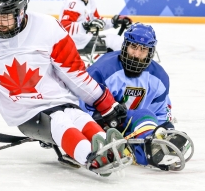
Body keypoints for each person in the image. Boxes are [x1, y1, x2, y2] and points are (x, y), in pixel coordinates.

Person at [0, 0, 131, 177]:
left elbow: (75, 73)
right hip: (25, 109)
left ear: (21, 12)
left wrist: (105, 104)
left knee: (78, 116)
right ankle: (89, 157)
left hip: (58, 98)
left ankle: (109, 146)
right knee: (59, 121)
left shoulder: (48, 27)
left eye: (6, 17)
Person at [80, 23, 193, 171]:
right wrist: (94, 118)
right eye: (133, 47)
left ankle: (147, 147)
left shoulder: (159, 77)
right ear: (125, 46)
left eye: (143, 49)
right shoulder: (102, 69)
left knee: (153, 121)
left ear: (150, 52)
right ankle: (149, 153)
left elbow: (160, 111)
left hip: (136, 129)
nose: (137, 54)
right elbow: (81, 102)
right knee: (144, 115)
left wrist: (163, 129)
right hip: (104, 126)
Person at [58, 0, 132, 54]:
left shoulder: (91, 2)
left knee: (116, 41)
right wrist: (85, 25)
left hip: (85, 39)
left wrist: (113, 22)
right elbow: (64, 26)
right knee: (117, 42)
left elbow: (98, 21)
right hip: (74, 43)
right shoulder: (73, 3)